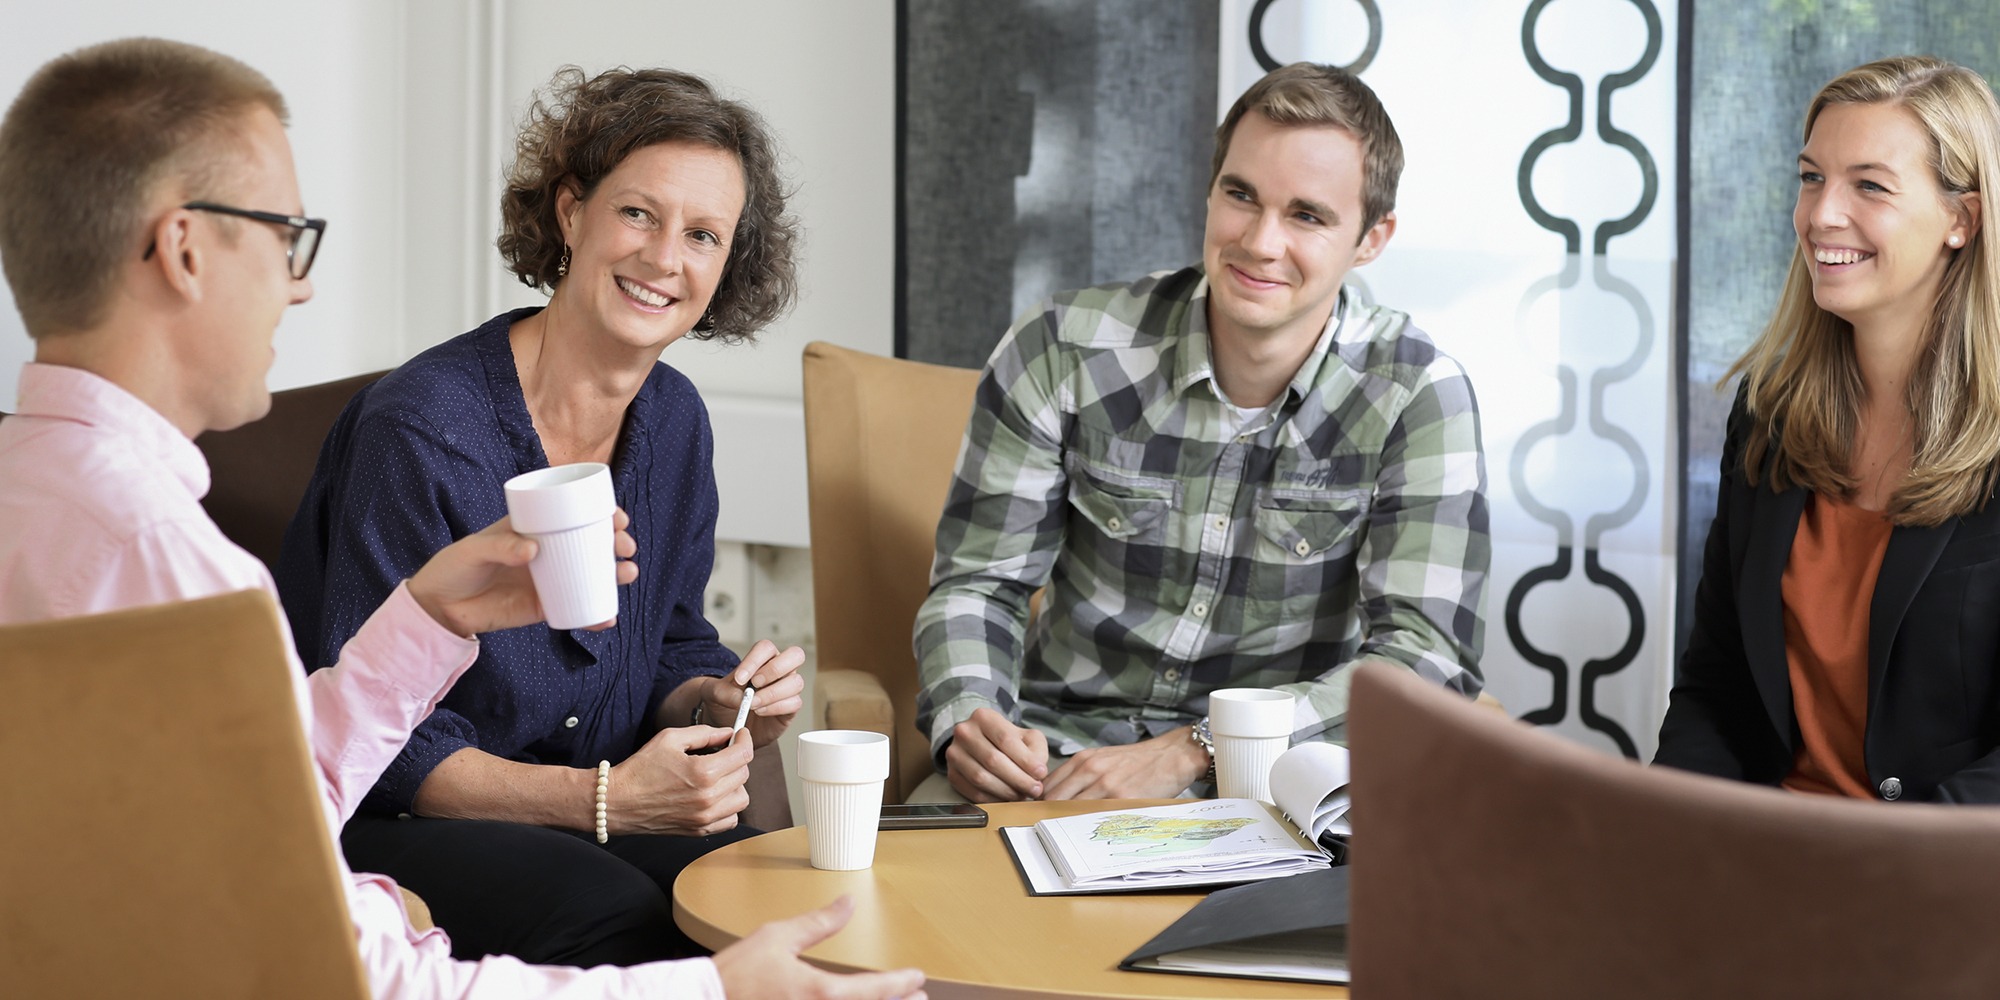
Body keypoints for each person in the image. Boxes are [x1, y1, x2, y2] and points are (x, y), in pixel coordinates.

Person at [0, 37, 923, 1000]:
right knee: (648, 918)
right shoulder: (175, 564)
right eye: (287, 235)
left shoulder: (49, 493)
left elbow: (274, 788)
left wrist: (438, 624)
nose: (303, 282)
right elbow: (362, 968)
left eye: (703, 234)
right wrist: (709, 980)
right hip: (418, 830)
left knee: (755, 887)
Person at [276, 66, 809, 966]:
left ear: (727, 267)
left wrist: (717, 700)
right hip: (383, 819)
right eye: (638, 213)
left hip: (582, 806)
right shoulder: (422, 429)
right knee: (613, 914)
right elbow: (381, 744)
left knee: (749, 887)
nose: (664, 258)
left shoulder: (675, 421)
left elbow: (672, 643)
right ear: (571, 214)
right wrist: (610, 802)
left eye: (703, 235)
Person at [912, 62, 1489, 804]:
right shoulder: (1062, 347)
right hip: (1056, 761)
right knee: (908, 904)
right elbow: (979, 586)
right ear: (1211, 189)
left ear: (1372, 239)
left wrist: (1197, 748)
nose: (1259, 241)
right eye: (1240, 195)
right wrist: (972, 720)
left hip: (1279, 785)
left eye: (1307, 215)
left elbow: (1426, 659)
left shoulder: (1417, 395)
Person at [1656, 56, 2000, 805]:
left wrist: (1878, 870)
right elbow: (1716, 687)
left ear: (1961, 221)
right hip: (1764, 860)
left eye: (1869, 185)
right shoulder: (1771, 412)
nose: (1820, 215)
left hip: (1943, 881)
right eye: (1812, 177)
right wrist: (1675, 838)